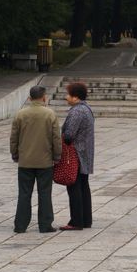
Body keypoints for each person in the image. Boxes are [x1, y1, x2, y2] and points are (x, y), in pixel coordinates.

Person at [10, 85, 61, 234]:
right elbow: (56, 138)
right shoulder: (50, 114)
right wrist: (57, 155)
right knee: (45, 193)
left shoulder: (20, 114)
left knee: (24, 193)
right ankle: (45, 225)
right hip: (45, 161)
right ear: (44, 97)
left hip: (25, 161)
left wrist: (14, 153)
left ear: (30, 98)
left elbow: (14, 137)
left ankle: (20, 225)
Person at [60, 82, 95, 231]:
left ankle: (76, 221)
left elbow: (69, 135)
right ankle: (86, 219)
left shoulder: (77, 111)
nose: (66, 97)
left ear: (75, 97)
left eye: (68, 94)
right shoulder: (87, 109)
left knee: (74, 187)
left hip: (76, 154)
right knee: (83, 187)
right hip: (85, 153)